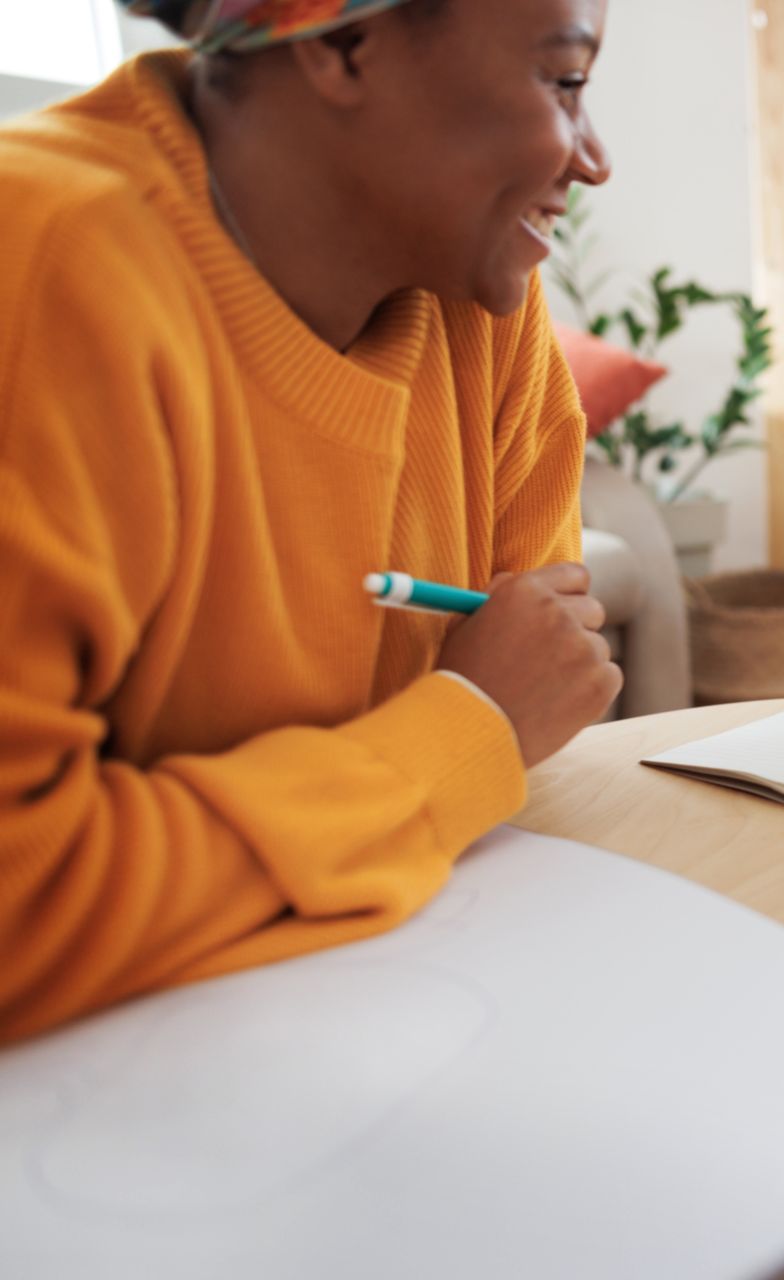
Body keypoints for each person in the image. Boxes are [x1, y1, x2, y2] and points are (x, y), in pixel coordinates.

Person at [0, 0, 621, 1044]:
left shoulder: (490, 319)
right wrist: (462, 729)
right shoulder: (47, 264)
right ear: (340, 42)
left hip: (398, 1023)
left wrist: (487, 735)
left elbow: (534, 741)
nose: (592, 159)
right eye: (563, 82)